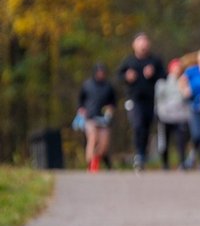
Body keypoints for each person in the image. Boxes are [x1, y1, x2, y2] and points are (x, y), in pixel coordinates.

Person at [117, 33, 165, 171]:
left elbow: (164, 75)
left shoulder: (154, 60)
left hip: (151, 100)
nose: (143, 45)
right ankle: (139, 154)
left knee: (146, 128)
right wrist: (127, 77)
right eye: (140, 42)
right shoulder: (129, 61)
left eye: (145, 42)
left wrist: (153, 74)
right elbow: (118, 76)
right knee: (137, 125)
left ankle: (143, 154)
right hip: (134, 99)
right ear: (134, 45)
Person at [77, 63, 117, 172]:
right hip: (90, 117)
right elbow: (80, 100)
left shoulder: (108, 86)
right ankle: (90, 164)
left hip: (104, 119)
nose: (101, 74)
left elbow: (113, 102)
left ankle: (96, 159)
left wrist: (110, 109)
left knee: (103, 145)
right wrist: (81, 109)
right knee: (92, 139)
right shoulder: (87, 85)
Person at [154, 58, 191, 171]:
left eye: (179, 68)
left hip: (180, 116)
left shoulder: (184, 81)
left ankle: (182, 162)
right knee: (164, 141)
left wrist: (184, 87)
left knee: (181, 141)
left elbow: (187, 96)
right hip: (165, 116)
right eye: (175, 68)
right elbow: (158, 98)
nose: (177, 70)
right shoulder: (162, 81)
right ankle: (165, 163)